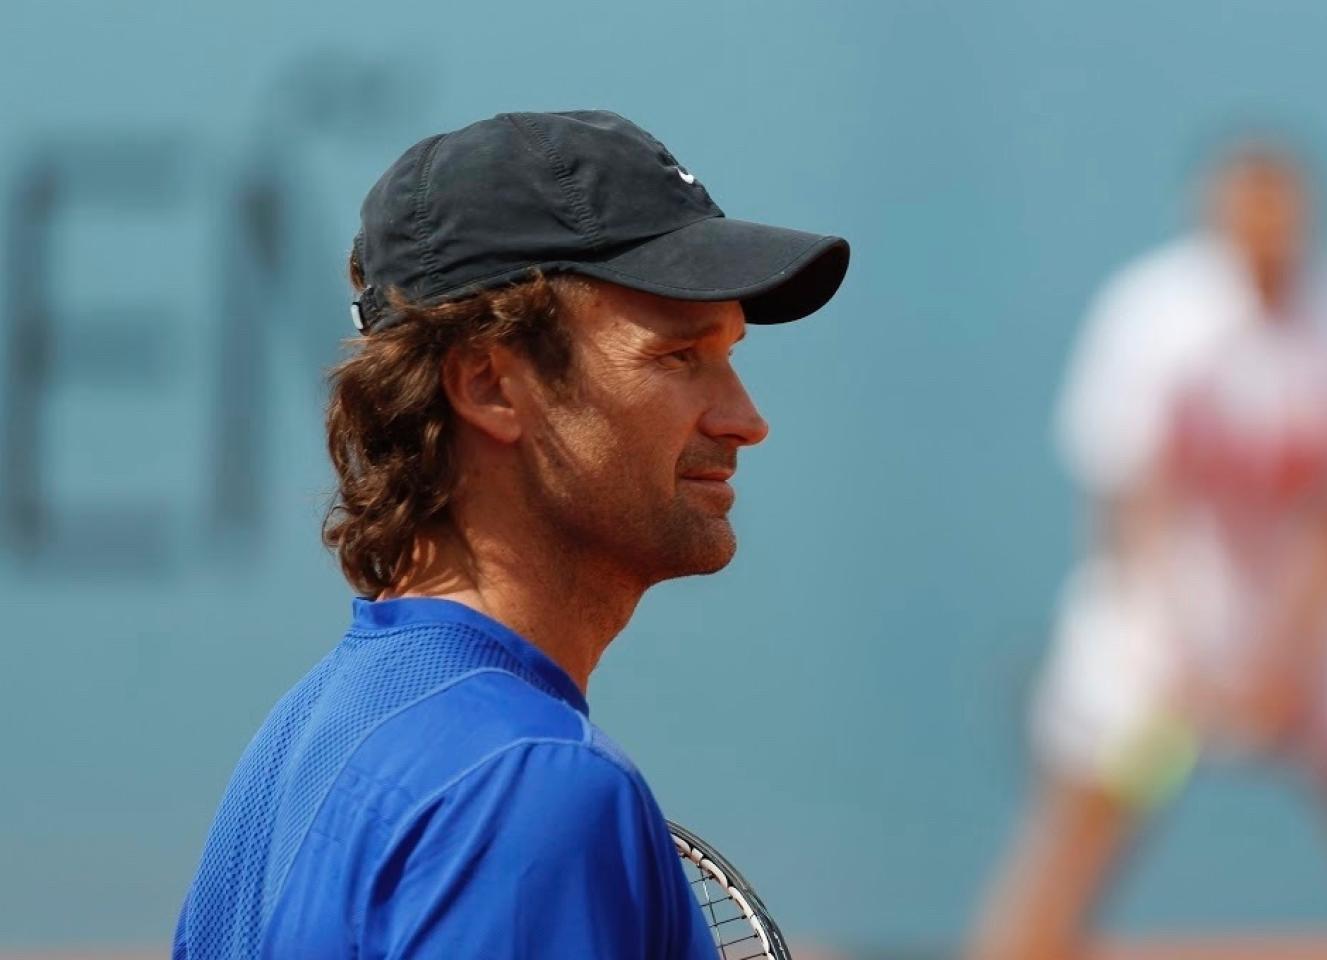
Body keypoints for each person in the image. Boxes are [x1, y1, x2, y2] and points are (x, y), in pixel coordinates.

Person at [174, 110, 849, 958]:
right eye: (679, 357)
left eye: (730, 354)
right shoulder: (535, 786)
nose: (747, 420)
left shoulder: (302, 743)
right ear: (491, 385)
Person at [968, 139, 1327, 959]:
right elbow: (1130, 501)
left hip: (1317, 614)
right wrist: (1177, 645)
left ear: (1310, 217)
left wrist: (1296, 654)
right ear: (1213, 215)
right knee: (1094, 804)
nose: (1265, 227)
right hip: (1159, 606)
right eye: (1246, 207)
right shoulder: (1153, 314)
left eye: (1282, 208)